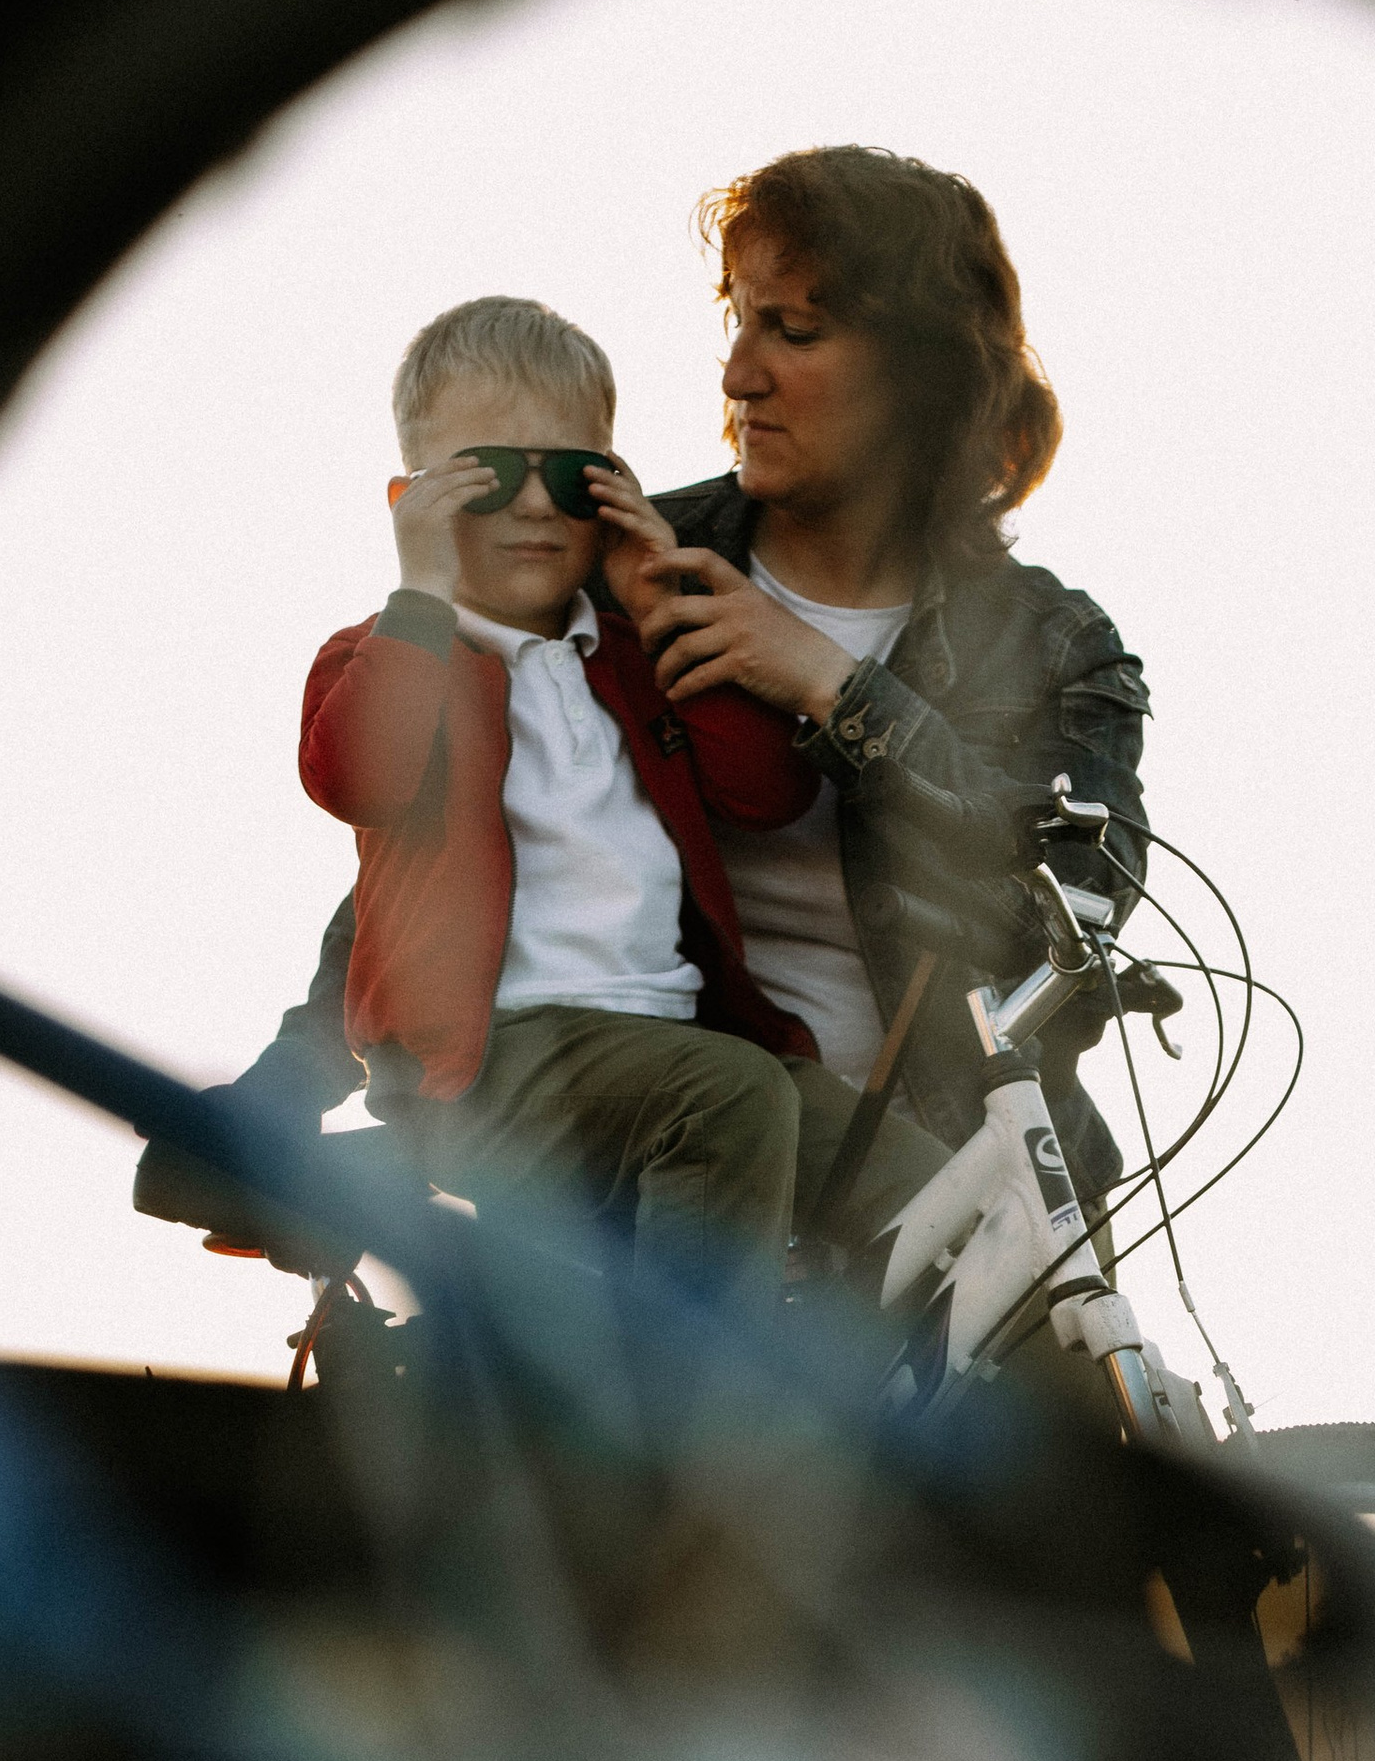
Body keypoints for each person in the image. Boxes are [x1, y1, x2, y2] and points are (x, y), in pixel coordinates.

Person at [181, 150, 1148, 1287]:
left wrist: (835, 692)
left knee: (1072, 1444)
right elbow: (453, 840)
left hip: (942, 1183)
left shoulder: (1052, 644)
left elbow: (1069, 903)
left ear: (921, 376)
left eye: (793, 332)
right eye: (737, 324)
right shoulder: (612, 554)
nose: (737, 374)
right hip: (644, 1158)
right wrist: (288, 1097)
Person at [284, 293, 827, 1306]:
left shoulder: (632, 661)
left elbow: (768, 792)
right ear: (415, 500)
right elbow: (360, 776)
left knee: (885, 1152)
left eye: (574, 477)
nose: (536, 507)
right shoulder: (381, 653)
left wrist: (663, 601)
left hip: (672, 1040)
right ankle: (695, 1431)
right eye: (488, 477)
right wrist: (419, 595)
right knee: (731, 1100)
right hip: (491, 1061)